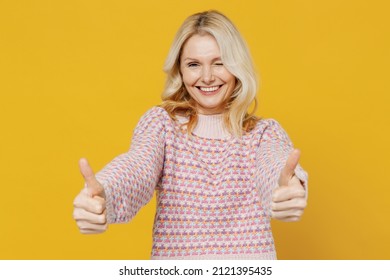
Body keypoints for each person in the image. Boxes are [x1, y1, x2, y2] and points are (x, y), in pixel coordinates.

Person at [73, 10, 308, 260]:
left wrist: (288, 188)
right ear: (180, 71)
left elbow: (274, 168)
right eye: (194, 64)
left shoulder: (264, 134)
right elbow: (138, 166)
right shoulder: (162, 125)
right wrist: (105, 194)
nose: (207, 77)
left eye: (219, 62)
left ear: (237, 66)